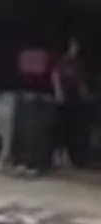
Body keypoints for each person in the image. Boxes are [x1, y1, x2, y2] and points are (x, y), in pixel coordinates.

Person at [51, 38, 91, 169]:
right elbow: (55, 76)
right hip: (63, 99)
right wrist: (58, 92)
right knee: (61, 127)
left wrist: (84, 93)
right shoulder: (63, 61)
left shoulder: (77, 63)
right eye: (74, 47)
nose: (76, 50)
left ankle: (67, 155)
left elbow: (80, 81)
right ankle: (57, 154)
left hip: (74, 100)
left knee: (71, 128)